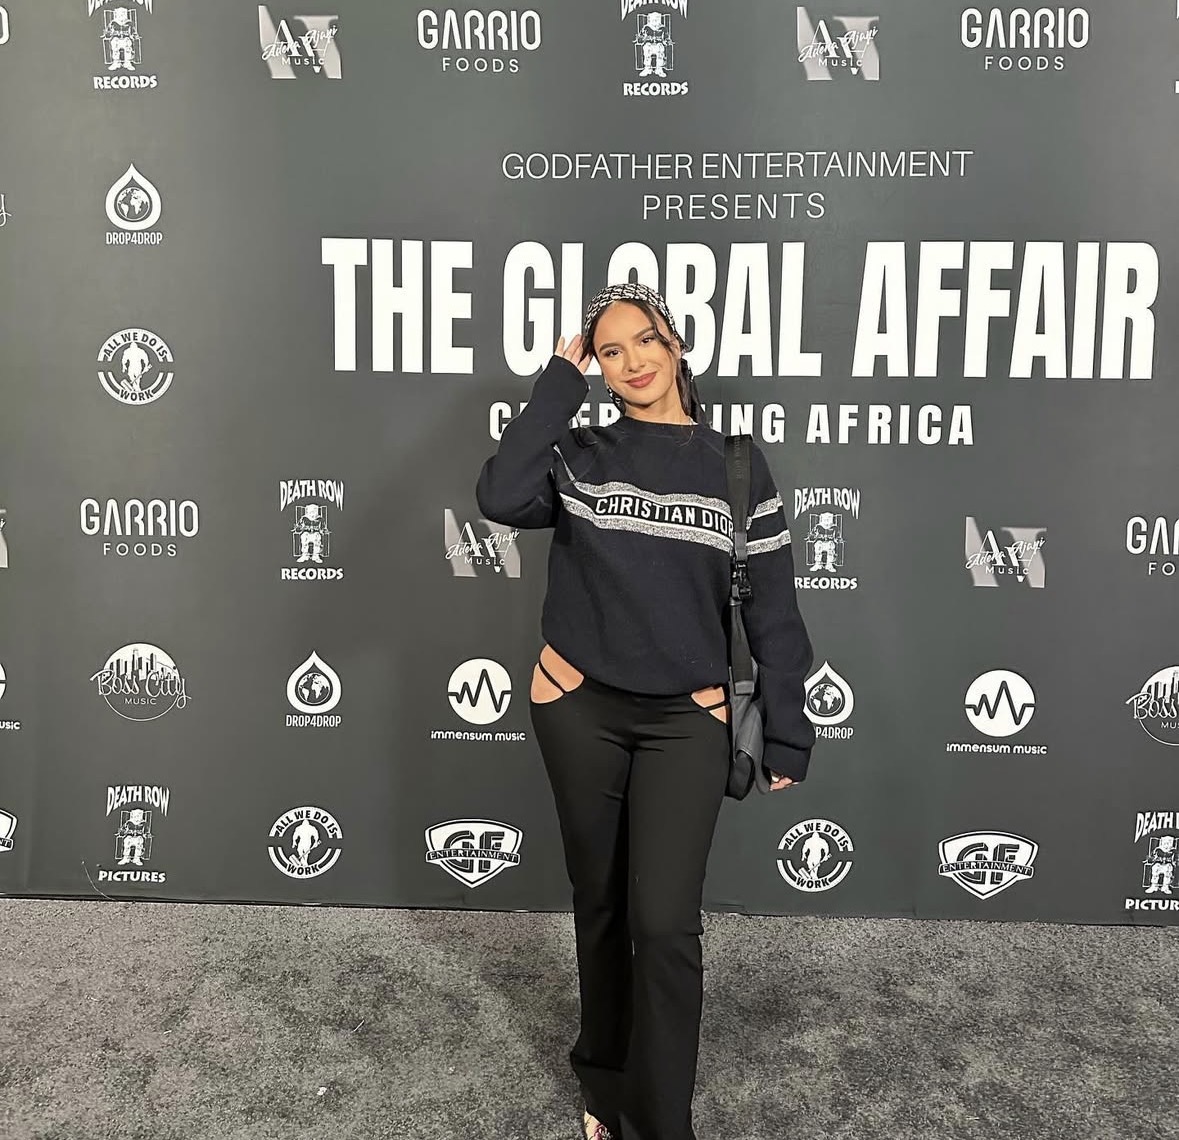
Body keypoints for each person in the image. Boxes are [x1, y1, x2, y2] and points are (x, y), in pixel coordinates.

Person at [475, 282, 816, 1140]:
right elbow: (498, 493)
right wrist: (559, 374)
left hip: (682, 725)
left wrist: (786, 730)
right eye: (610, 350)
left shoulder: (733, 464)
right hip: (577, 709)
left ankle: (657, 1124)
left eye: (644, 341)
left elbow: (772, 606)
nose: (630, 363)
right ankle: (603, 1080)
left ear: (675, 344)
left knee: (663, 925)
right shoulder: (579, 453)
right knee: (600, 905)